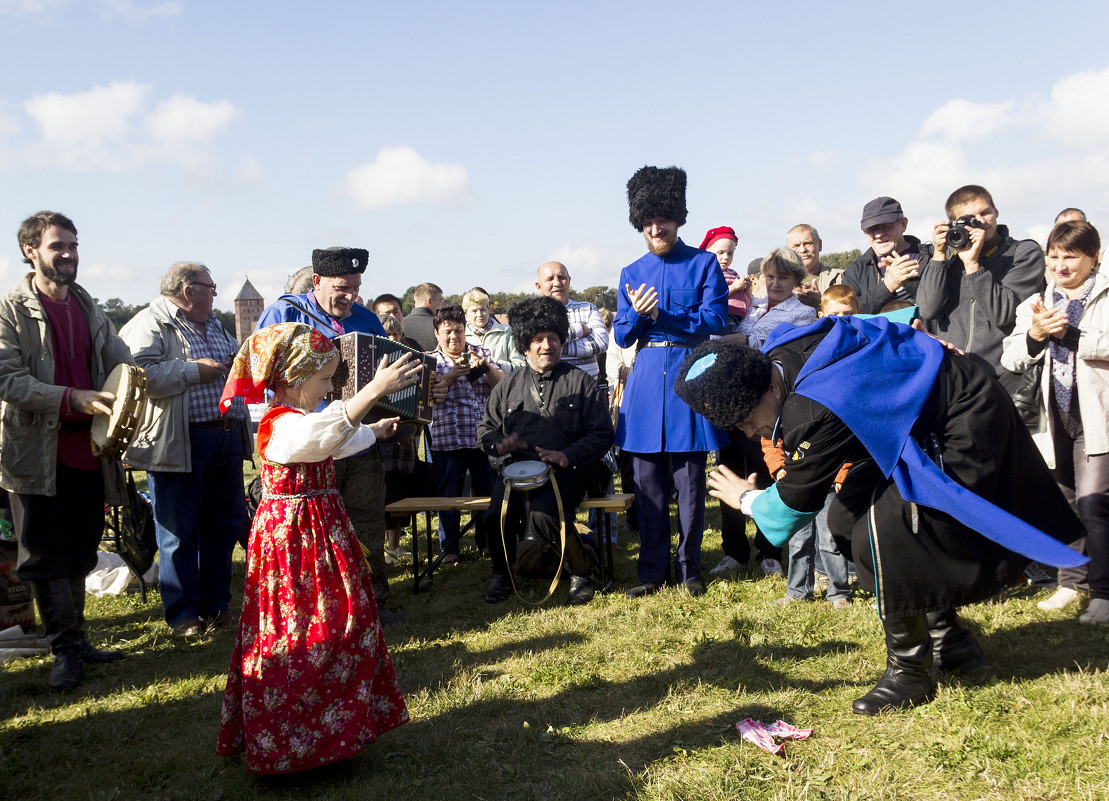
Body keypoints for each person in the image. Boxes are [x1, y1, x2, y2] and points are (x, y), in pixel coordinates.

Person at [675, 319, 1086, 715]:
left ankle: (910, 671)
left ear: (768, 384)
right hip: (906, 423)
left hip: (960, 419)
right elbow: (872, 321)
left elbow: (793, 505)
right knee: (844, 519)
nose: (751, 432)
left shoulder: (812, 408)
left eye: (748, 419)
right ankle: (950, 638)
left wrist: (746, 499)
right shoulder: (782, 352)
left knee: (886, 527)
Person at [215, 323, 416, 774]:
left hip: (319, 533)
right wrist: (371, 393)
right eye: (324, 379)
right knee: (305, 633)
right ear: (292, 377)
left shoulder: (303, 419)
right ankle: (297, 742)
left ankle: (333, 732)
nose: (331, 386)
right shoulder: (278, 424)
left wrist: (376, 428)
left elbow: (335, 438)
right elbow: (320, 436)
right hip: (294, 543)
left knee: (345, 624)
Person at [0, 210, 132, 690]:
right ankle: (64, 652)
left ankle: (79, 640)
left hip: (88, 452)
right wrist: (68, 397)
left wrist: (136, 386)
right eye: (59, 246)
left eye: (73, 245)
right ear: (30, 251)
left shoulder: (87, 304)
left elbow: (122, 362)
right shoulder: (9, 309)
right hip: (36, 454)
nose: (70, 254)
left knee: (80, 550)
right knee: (43, 555)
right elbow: (7, 378)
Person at [255, 247, 401, 615]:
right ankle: (325, 610)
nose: (350, 297)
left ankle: (373, 603)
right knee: (318, 535)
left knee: (367, 518)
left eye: (356, 287)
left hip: (362, 440)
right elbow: (261, 369)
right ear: (317, 281)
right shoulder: (285, 312)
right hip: (306, 444)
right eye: (341, 288)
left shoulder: (367, 319)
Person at [614, 165, 729, 598]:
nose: (656, 227)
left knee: (690, 485)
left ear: (678, 220)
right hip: (645, 380)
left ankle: (689, 568)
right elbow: (622, 334)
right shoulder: (630, 270)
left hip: (688, 377)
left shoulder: (702, 264)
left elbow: (715, 320)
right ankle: (651, 571)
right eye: (648, 222)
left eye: (663, 220)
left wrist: (663, 316)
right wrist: (639, 317)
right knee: (646, 487)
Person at [119, 261, 250, 638]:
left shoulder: (215, 324)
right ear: (189, 290)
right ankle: (183, 614)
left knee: (222, 526)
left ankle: (217, 605)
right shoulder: (149, 324)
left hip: (224, 438)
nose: (215, 294)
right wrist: (193, 371)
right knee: (178, 531)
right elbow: (136, 377)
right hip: (181, 441)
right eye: (211, 287)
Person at [1002, 220, 1109, 623]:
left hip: (1099, 415)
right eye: (1054, 256)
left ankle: (1103, 591)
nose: (1061, 265)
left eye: (1071, 257)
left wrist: (1072, 336)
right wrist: (1035, 334)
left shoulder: (1105, 294)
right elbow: (1012, 357)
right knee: (1065, 504)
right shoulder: (1038, 301)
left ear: (1093, 256)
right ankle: (1071, 582)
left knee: (1095, 504)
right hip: (1056, 418)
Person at [478, 296, 614, 605]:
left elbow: (603, 434)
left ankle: (581, 572)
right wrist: (498, 445)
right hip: (514, 472)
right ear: (525, 346)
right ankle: (502, 573)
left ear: (561, 341)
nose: (546, 345)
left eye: (552, 338)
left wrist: (569, 455)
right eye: (538, 339)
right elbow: (485, 430)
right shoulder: (507, 385)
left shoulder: (581, 382)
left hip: (566, 471)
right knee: (494, 518)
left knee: (543, 516)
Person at [917, 184, 1046, 394]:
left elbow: (1003, 313)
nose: (981, 221)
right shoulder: (949, 256)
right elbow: (928, 310)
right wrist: (939, 256)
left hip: (1001, 379)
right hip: (953, 376)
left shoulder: (1023, 253)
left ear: (996, 212)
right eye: (969, 218)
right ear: (954, 223)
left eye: (985, 212)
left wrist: (973, 266)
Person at [429, 304, 505, 563]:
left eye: (459, 331)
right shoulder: (430, 360)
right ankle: (450, 548)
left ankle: (486, 542)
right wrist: (452, 374)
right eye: (448, 332)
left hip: (483, 437)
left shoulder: (481, 353)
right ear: (437, 334)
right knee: (449, 495)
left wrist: (485, 368)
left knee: (487, 492)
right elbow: (429, 398)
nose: (454, 337)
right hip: (448, 438)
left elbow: (502, 388)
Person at [843, 197, 928, 314]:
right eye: (871, 229)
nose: (878, 234)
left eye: (885, 226)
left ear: (903, 224)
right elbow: (849, 314)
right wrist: (886, 287)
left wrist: (907, 282)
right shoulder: (856, 271)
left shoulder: (932, 257)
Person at [729, 248, 818, 350]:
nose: (775, 284)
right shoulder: (750, 303)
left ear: (796, 279)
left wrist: (748, 341)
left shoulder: (805, 312)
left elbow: (792, 348)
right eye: (770, 277)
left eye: (783, 278)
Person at [535, 262, 608, 379]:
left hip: (588, 391)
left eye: (561, 277)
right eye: (550, 279)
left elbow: (600, 343)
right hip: (550, 391)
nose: (557, 283)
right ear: (538, 286)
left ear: (569, 280)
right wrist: (579, 329)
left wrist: (554, 347)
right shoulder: (532, 314)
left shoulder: (587, 309)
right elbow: (531, 347)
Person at [700, 226, 751, 332]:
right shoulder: (710, 274)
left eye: (730, 253)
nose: (726, 257)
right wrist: (735, 287)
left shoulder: (733, 273)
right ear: (708, 252)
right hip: (724, 316)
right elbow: (715, 296)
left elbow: (746, 296)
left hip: (741, 317)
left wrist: (747, 288)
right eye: (721, 252)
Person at [463, 287, 522, 371]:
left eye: (483, 309)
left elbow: (520, 367)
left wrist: (495, 364)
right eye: (474, 311)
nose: (479, 314)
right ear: (466, 315)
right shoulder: (461, 336)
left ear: (488, 310)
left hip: (502, 383)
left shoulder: (507, 332)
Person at [787, 224, 844, 309]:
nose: (803, 250)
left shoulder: (840, 278)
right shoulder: (774, 280)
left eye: (808, 243)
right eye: (796, 245)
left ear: (820, 245)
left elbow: (849, 312)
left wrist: (820, 304)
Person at [403, 282, 444, 352]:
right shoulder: (440, 326)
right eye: (440, 300)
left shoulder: (399, 326)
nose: (442, 304)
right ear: (430, 301)